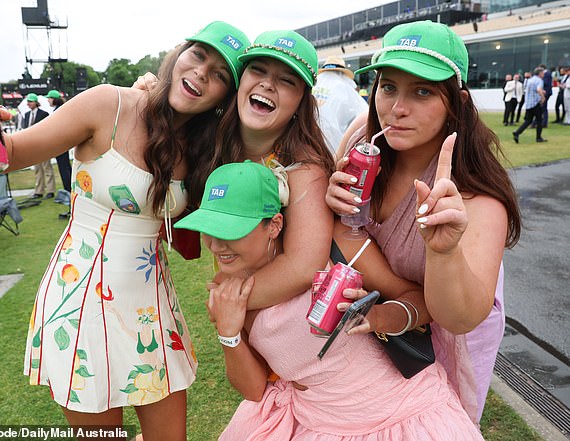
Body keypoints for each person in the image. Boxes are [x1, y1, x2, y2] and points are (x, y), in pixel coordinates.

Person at [0, 20, 250, 441]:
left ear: (225, 96)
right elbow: (10, 154)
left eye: (220, 75)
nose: (201, 73)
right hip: (81, 304)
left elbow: (194, 237)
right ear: (179, 55)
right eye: (199, 56)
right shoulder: (110, 104)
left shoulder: (203, 147)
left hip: (152, 309)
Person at [174, 160, 484, 440]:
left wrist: (376, 317)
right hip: (319, 424)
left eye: (230, 231)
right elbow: (254, 389)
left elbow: (419, 299)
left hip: (400, 416)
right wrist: (228, 334)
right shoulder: (227, 289)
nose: (215, 246)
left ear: (274, 226)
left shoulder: (337, 245)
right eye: (208, 230)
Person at [327, 20, 522, 423]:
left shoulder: (477, 198)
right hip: (375, 326)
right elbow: (339, 227)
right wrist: (331, 202)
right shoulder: (361, 139)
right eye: (388, 86)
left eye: (422, 91)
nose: (396, 108)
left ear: (459, 103)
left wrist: (445, 251)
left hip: (448, 344)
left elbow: (458, 317)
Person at [210, 29, 335, 310]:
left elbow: (303, 268)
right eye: (258, 69)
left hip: (289, 322)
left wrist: (227, 301)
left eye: (287, 80)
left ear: (301, 103)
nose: (267, 84)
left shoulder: (305, 169)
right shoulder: (213, 141)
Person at [312, 56, 368, 153]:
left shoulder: (314, 85)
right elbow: (366, 116)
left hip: (306, 145)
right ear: (342, 73)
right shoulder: (345, 89)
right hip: (333, 148)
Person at [21, 93, 54, 199]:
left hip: (43, 145)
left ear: (36, 102)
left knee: (47, 168)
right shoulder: (26, 115)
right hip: (32, 146)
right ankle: (39, 191)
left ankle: (50, 190)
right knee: (37, 169)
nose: (28, 103)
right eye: (28, 101)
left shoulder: (44, 114)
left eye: (30, 101)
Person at [46, 89, 72, 218]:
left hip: (61, 146)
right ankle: (71, 198)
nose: (48, 100)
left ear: (54, 99)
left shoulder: (59, 111)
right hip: (62, 146)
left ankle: (70, 198)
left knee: (65, 172)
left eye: (49, 98)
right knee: (66, 170)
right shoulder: (61, 109)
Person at [512, 66, 547, 143]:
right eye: (543, 73)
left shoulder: (530, 80)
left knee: (528, 120)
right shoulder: (539, 80)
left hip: (529, 103)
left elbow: (531, 91)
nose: (543, 74)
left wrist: (541, 92)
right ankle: (538, 137)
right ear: (540, 73)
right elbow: (538, 89)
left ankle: (517, 132)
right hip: (535, 103)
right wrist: (543, 97)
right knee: (539, 120)